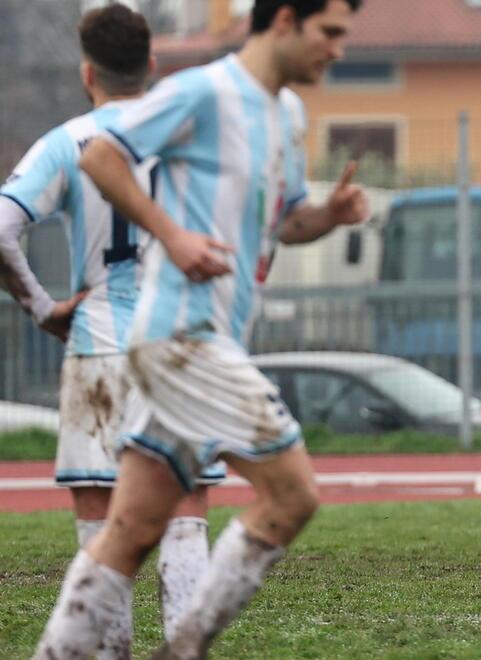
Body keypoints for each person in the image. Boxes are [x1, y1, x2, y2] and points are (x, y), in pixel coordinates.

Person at [33, 0, 366, 657]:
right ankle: (184, 649)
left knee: (130, 530)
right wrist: (174, 235)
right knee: (292, 495)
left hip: (203, 338)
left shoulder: (288, 114)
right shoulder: (203, 90)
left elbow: (286, 222)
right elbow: (101, 157)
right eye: (329, 33)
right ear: (283, 21)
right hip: (180, 337)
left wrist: (328, 216)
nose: (338, 49)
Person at [0, 5, 225, 656]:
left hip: (98, 346)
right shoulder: (186, 139)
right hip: (178, 347)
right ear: (151, 65)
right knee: (183, 521)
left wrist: (42, 307)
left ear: (85, 72)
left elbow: (4, 229)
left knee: (101, 527)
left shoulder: (66, 141)